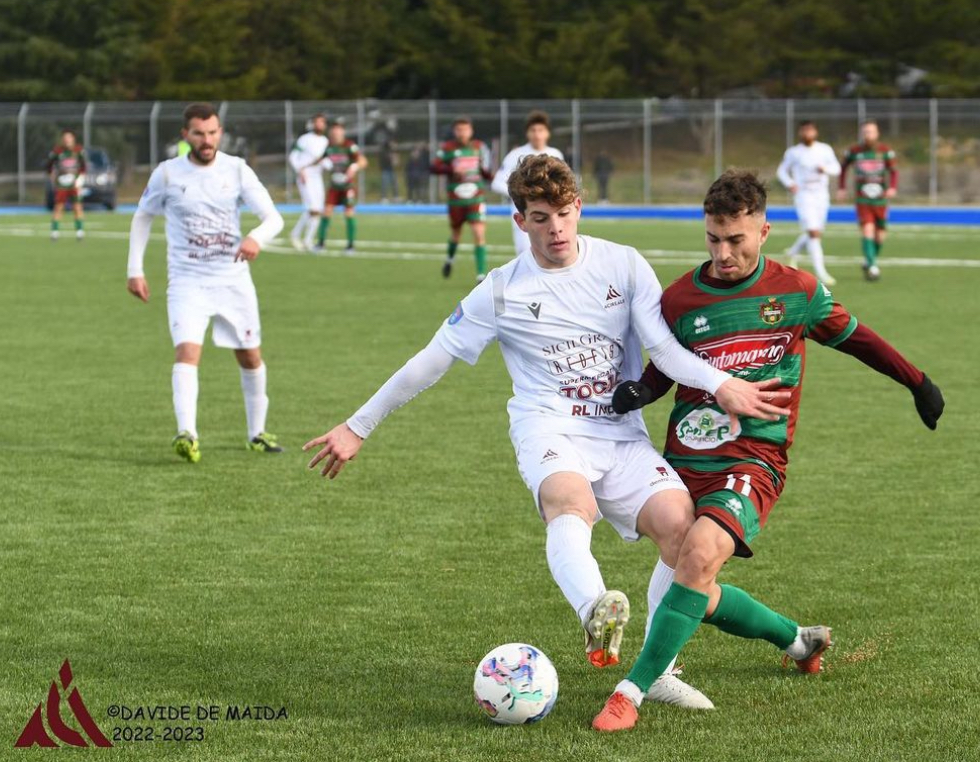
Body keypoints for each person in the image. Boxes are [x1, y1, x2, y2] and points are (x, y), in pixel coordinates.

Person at [304, 155, 786, 709]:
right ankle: (595, 611)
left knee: (681, 532)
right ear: (520, 221)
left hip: (620, 433)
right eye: (539, 218)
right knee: (570, 502)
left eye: (562, 213)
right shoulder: (500, 290)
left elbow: (663, 350)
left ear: (578, 207)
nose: (555, 228)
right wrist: (358, 425)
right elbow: (429, 362)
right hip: (549, 426)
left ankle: (659, 671)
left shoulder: (623, 265)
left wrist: (721, 384)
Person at [591, 170, 945, 732]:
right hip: (683, 459)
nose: (723, 253)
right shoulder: (680, 298)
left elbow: (859, 339)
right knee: (693, 577)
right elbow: (666, 368)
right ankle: (797, 640)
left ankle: (630, 691)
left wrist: (917, 382)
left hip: (754, 459)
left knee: (699, 556)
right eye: (713, 239)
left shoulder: (796, 292)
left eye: (736, 240)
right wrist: (640, 391)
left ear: (763, 231)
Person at [125, 102, 286, 463]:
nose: (207, 140)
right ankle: (187, 434)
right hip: (187, 282)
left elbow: (273, 218)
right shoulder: (168, 174)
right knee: (187, 352)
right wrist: (134, 269)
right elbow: (142, 217)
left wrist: (255, 238)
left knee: (250, 356)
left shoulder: (236, 169)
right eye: (199, 133)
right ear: (186, 135)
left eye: (212, 133)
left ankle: (257, 433)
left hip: (232, 281)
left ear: (220, 133)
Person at [492, 110, 565, 257]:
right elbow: (497, 183)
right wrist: (524, 194)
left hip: (552, 214)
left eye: (541, 130)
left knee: (553, 255)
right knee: (526, 255)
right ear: (527, 133)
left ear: (547, 133)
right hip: (526, 214)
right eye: (533, 130)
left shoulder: (556, 154)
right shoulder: (515, 155)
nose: (537, 134)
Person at [776, 120, 839, 285]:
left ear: (815, 132)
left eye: (810, 130)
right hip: (804, 195)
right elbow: (782, 171)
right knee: (813, 232)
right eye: (804, 130)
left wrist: (825, 169)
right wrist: (790, 183)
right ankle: (821, 272)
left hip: (821, 195)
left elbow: (836, 168)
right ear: (800, 133)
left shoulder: (824, 149)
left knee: (816, 232)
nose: (807, 134)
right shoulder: (794, 152)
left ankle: (791, 253)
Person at [431, 117, 493, 281]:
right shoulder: (448, 148)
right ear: (454, 131)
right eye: (459, 129)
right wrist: (450, 169)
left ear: (471, 131)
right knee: (456, 234)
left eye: (465, 129)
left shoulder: (479, 147)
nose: (462, 133)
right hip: (456, 199)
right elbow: (434, 166)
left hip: (476, 198)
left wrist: (492, 177)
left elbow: (485, 170)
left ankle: (480, 275)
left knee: (478, 233)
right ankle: (449, 259)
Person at [838, 120, 898, 281]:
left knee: (880, 235)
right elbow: (843, 168)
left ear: (877, 133)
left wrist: (892, 187)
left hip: (881, 199)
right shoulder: (854, 151)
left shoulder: (885, 151)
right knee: (867, 229)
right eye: (865, 132)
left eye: (871, 132)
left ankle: (869, 259)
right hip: (862, 198)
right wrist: (842, 188)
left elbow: (893, 171)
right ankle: (872, 267)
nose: (868, 135)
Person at [316, 122, 368, 253]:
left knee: (349, 213)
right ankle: (320, 243)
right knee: (326, 212)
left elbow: (363, 161)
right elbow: (320, 160)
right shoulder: (329, 147)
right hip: (334, 186)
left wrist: (354, 167)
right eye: (334, 132)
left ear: (343, 133)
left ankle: (350, 245)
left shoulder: (349, 146)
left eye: (338, 132)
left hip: (347, 186)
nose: (336, 134)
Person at [288, 113, 329, 251]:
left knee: (318, 209)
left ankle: (306, 239)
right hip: (305, 176)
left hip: (317, 177)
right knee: (312, 208)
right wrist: (300, 170)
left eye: (322, 122)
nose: (320, 125)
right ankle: (298, 236)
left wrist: (327, 164)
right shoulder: (305, 139)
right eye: (317, 122)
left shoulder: (325, 141)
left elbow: (327, 161)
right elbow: (293, 156)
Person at [46, 129, 87, 242]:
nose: (67, 140)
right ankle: (54, 233)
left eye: (69, 138)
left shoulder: (78, 150)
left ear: (73, 139)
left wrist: (80, 178)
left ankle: (79, 232)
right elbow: (49, 165)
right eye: (65, 138)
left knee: (77, 207)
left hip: (74, 183)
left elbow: (83, 166)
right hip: (62, 184)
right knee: (59, 207)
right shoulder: (57, 151)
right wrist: (52, 177)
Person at [379, 135, 399, 202]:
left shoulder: (392, 151)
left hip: (391, 169)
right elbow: (392, 160)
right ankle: (383, 197)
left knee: (394, 183)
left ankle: (396, 196)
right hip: (385, 169)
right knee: (385, 183)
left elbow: (396, 162)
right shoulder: (384, 150)